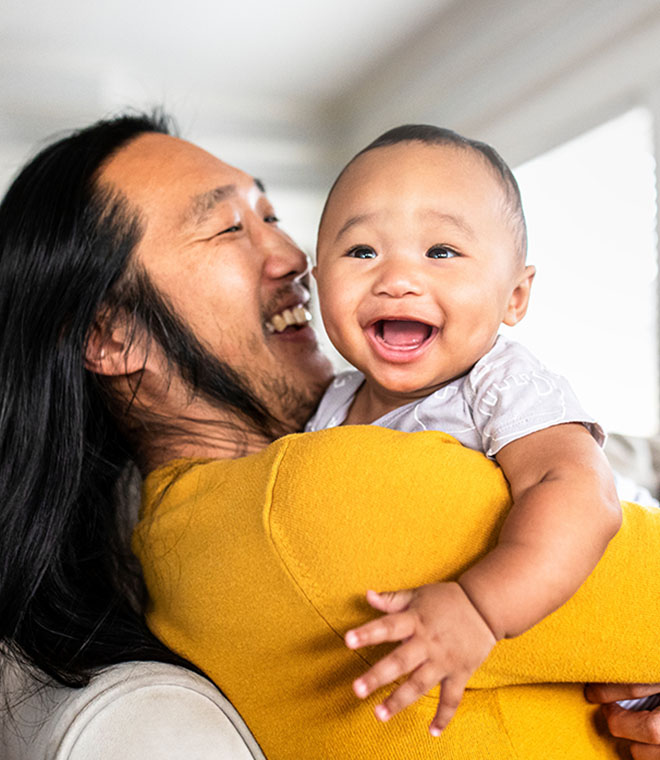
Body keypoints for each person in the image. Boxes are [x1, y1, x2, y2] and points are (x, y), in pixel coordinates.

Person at [0, 112, 659, 760]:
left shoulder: (173, 546)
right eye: (230, 228)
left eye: (272, 218)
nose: (294, 259)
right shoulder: (315, 496)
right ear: (108, 335)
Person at [307, 124, 622, 735]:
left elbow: (581, 491)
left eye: (442, 252)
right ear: (320, 281)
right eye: (362, 252)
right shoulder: (330, 406)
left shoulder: (499, 382)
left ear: (515, 296)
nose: (396, 278)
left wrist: (480, 607)